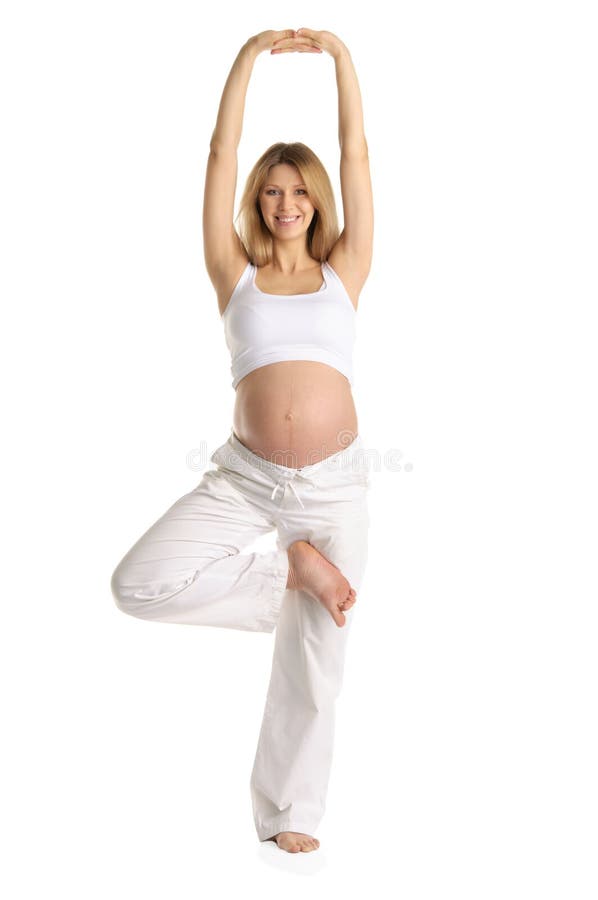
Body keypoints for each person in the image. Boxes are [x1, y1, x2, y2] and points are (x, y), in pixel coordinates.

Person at [110, 27, 374, 855]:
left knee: (317, 656)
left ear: (317, 200)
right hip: (246, 476)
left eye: (298, 191)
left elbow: (357, 151)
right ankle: (287, 577)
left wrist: (342, 60)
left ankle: (290, 815)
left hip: (334, 482)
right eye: (271, 192)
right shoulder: (234, 270)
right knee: (138, 584)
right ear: (257, 201)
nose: (285, 203)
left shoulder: (346, 268)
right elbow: (221, 149)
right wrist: (249, 56)